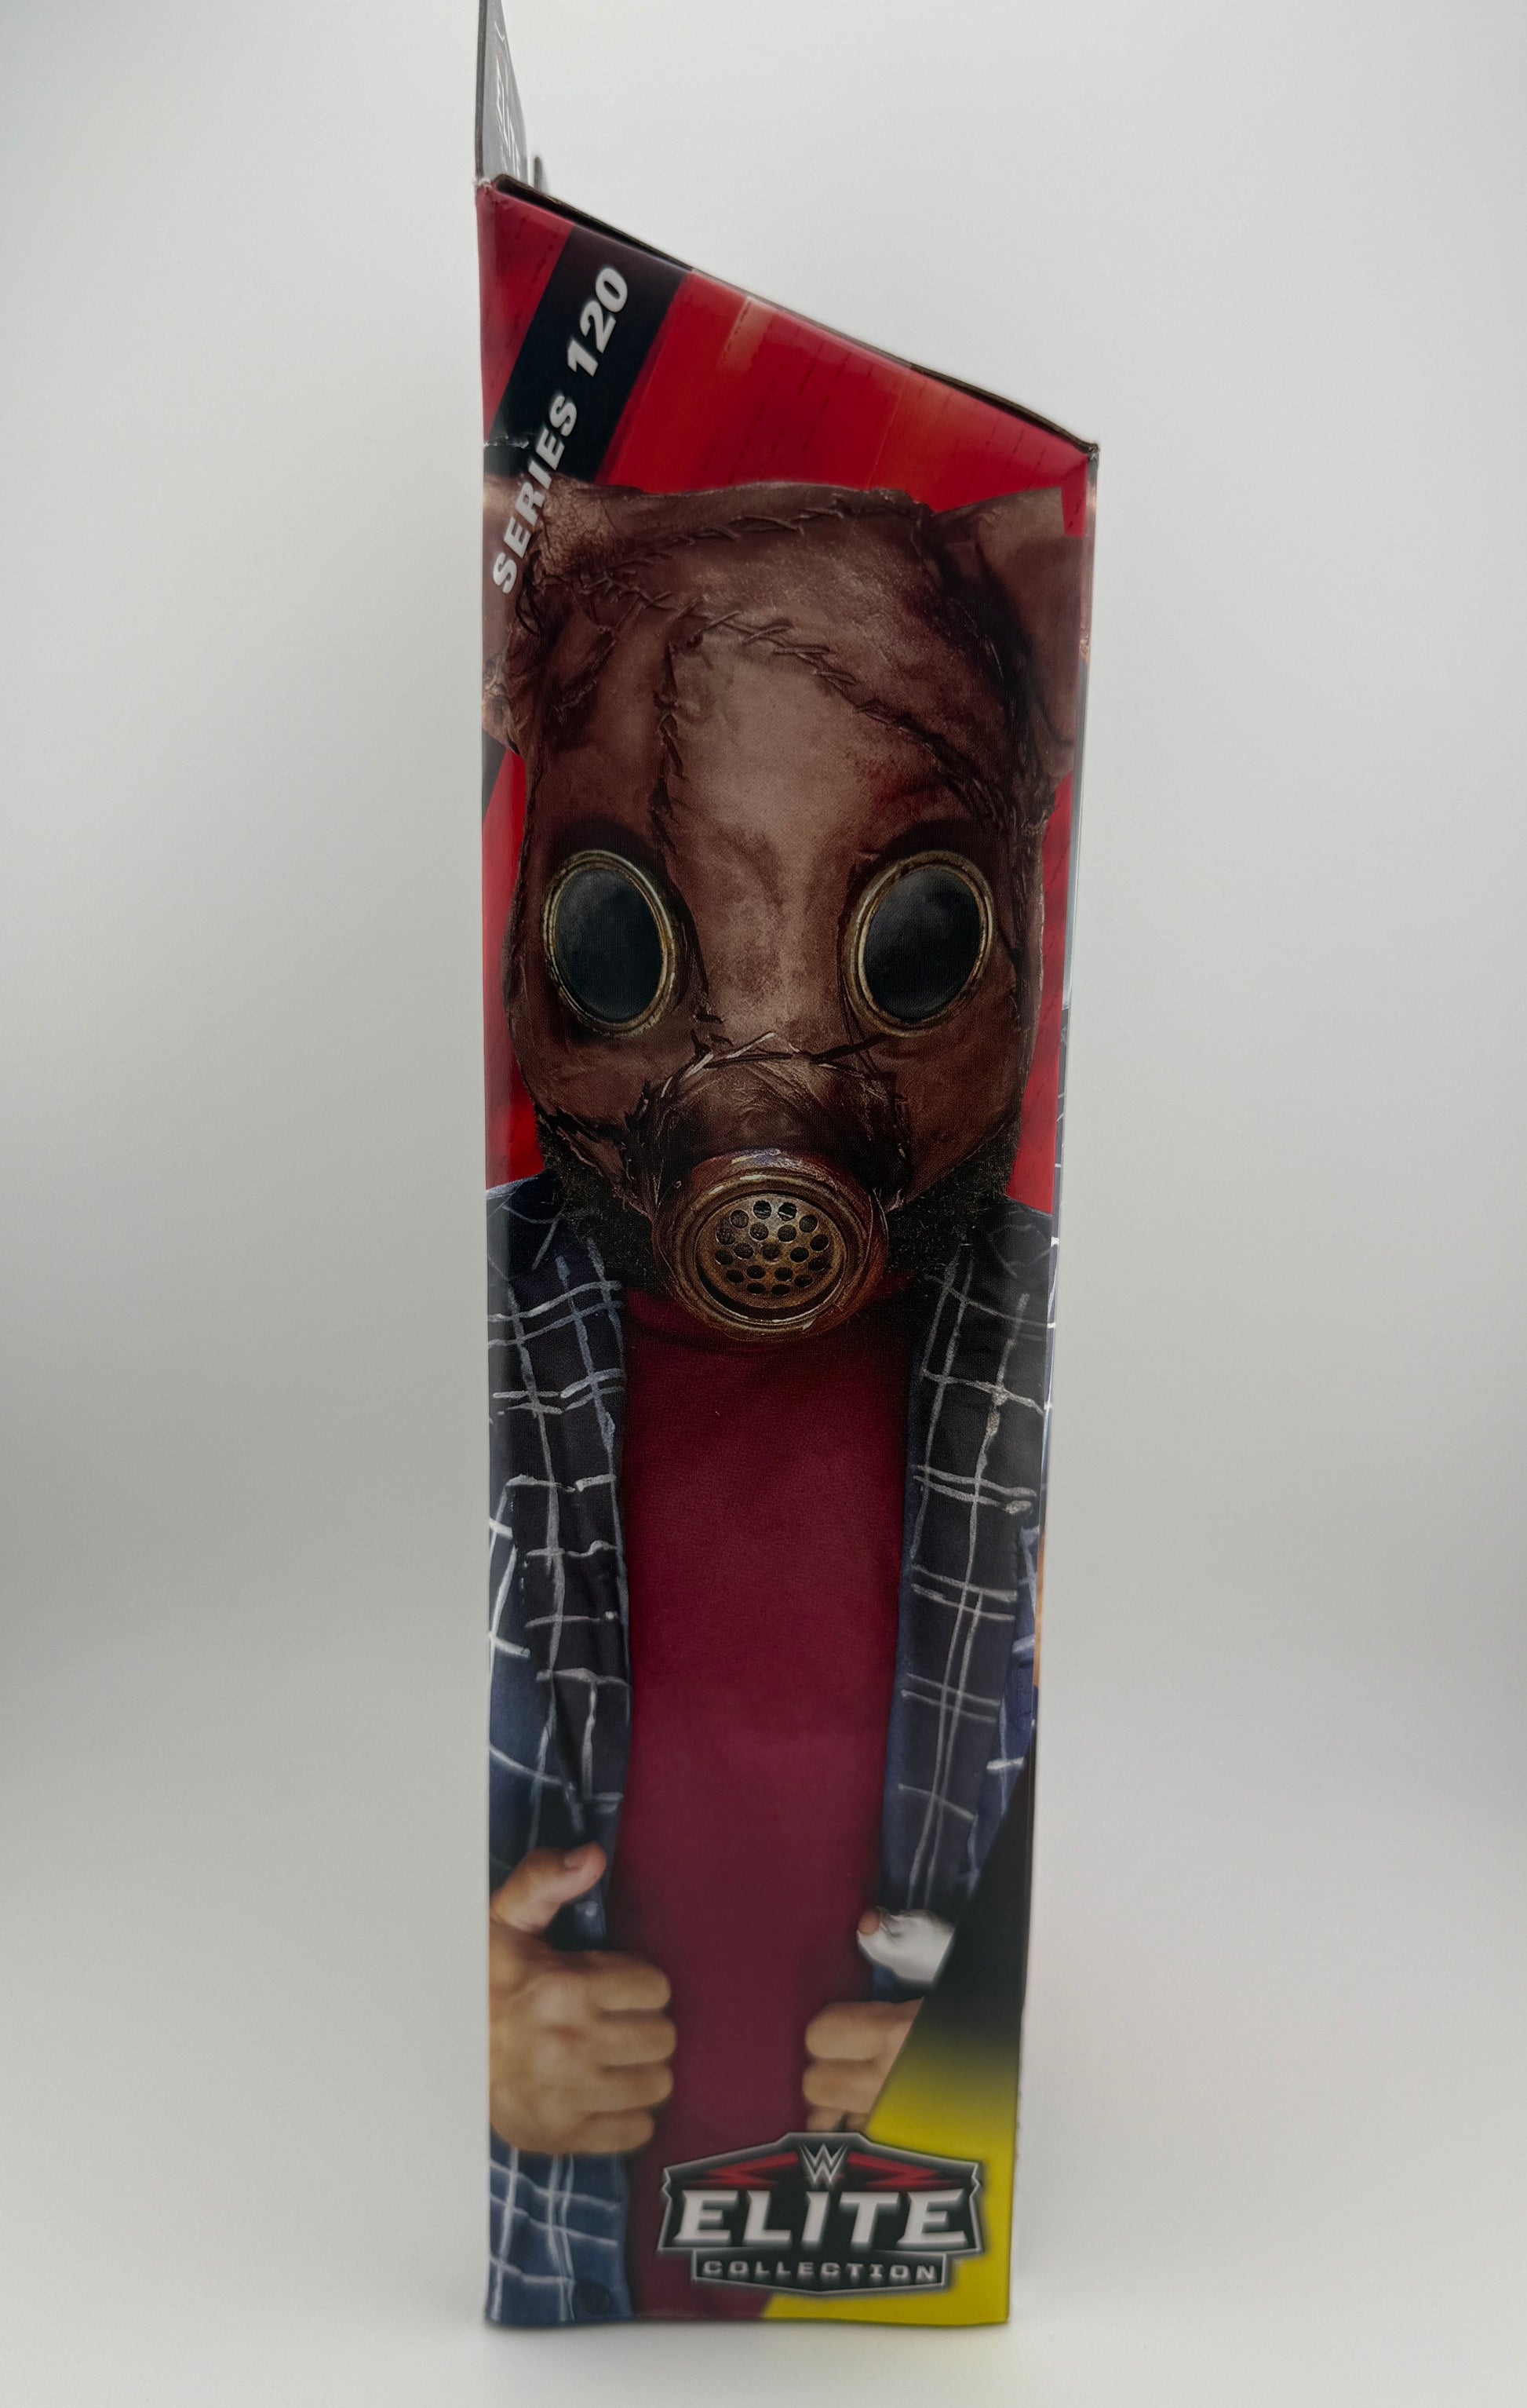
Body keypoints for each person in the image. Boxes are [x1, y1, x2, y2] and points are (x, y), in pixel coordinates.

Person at [480, 473, 1082, 2324]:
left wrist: (962, 2063)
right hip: (581, 2268)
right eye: (623, 949)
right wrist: (489, 2043)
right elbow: (293, 1706)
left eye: (910, 948)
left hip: (872, 2290)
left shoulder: (1024, 1363)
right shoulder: (482, 1348)